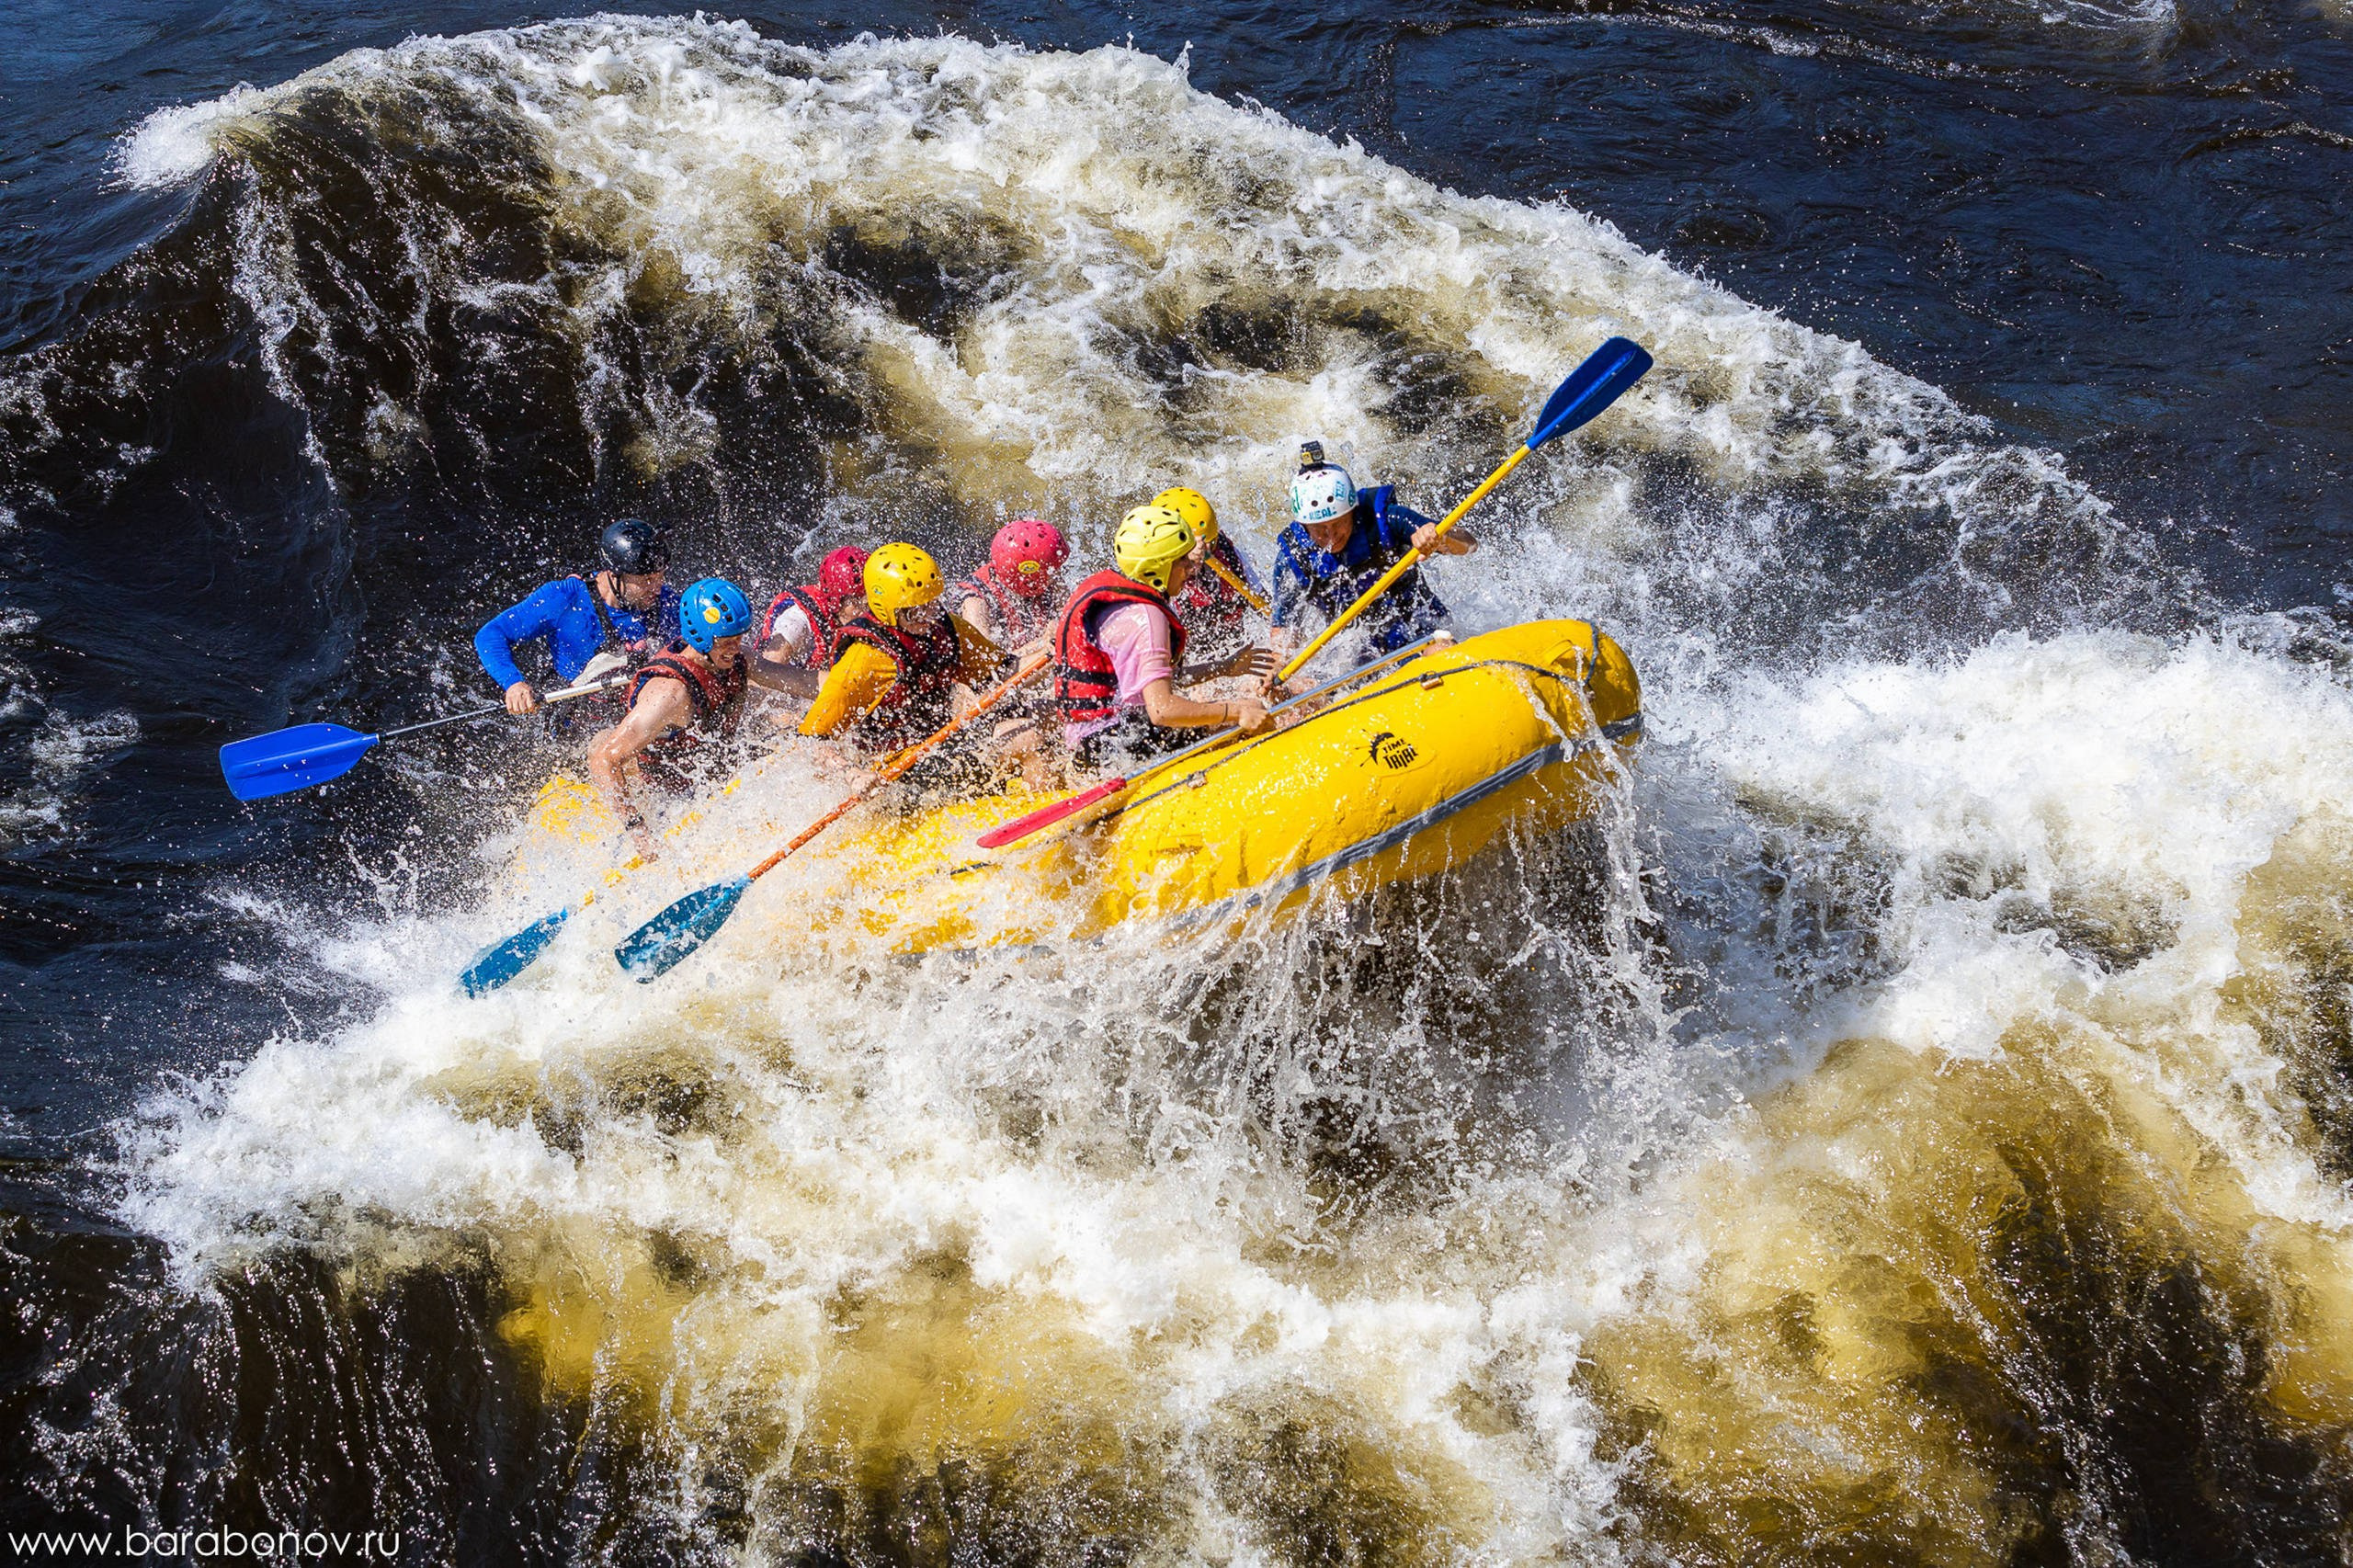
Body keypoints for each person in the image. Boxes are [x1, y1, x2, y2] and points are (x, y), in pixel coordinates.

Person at [1055, 503, 1276, 772]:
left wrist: (1224, 668)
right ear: (1159, 567)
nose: (1190, 569)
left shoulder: (1119, 603)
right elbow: (1162, 710)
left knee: (1214, 709)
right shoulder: (1147, 618)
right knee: (1246, 712)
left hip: (1088, 743)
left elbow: (1154, 684)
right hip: (1115, 744)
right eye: (1181, 560)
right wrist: (1236, 711)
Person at [587, 578, 754, 863]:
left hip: (701, 786)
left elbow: (798, 681)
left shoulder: (729, 658)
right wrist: (638, 832)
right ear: (702, 636)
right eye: (728, 641)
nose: (736, 647)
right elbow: (604, 757)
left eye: (740, 637)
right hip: (661, 799)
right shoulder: (670, 694)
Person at [1267, 442, 1476, 668]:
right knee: (1303, 689)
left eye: (1338, 524)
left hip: (1419, 630)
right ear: (1305, 526)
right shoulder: (1294, 557)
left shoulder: (1385, 518)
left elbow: (1469, 544)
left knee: (1443, 653)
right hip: (1354, 651)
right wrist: (1277, 668)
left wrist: (1439, 538)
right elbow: (1284, 631)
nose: (1331, 536)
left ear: (1352, 511)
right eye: (1320, 529)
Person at [799, 543, 1004, 754]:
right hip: (889, 762)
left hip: (939, 746)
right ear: (886, 610)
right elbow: (814, 740)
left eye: (931, 604)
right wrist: (852, 775)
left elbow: (1005, 672)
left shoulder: (946, 627)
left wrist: (1041, 654)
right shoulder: (865, 659)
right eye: (915, 612)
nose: (928, 617)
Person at [474, 518, 681, 719]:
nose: (657, 588)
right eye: (646, 580)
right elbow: (490, 635)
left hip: (636, 712)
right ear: (615, 574)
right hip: (575, 715)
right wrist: (513, 683)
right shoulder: (564, 597)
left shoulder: (668, 604)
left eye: (660, 577)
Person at [1153, 485, 1267, 663]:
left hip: (1233, 644)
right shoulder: (1154, 578)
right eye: (1189, 552)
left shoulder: (1230, 554)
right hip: (1188, 659)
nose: (1199, 558)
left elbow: (1264, 605)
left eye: (1209, 546)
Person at [752, 545, 868, 699]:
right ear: (835, 600)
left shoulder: (856, 614)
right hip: (785, 696)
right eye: (856, 602)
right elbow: (761, 678)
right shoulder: (796, 621)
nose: (864, 611)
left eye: (867, 601)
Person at [951, 517, 1070, 657]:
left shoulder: (1050, 579)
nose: (1058, 574)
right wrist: (1042, 643)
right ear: (1029, 581)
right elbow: (987, 668)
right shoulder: (975, 603)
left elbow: (1070, 616)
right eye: (1054, 571)